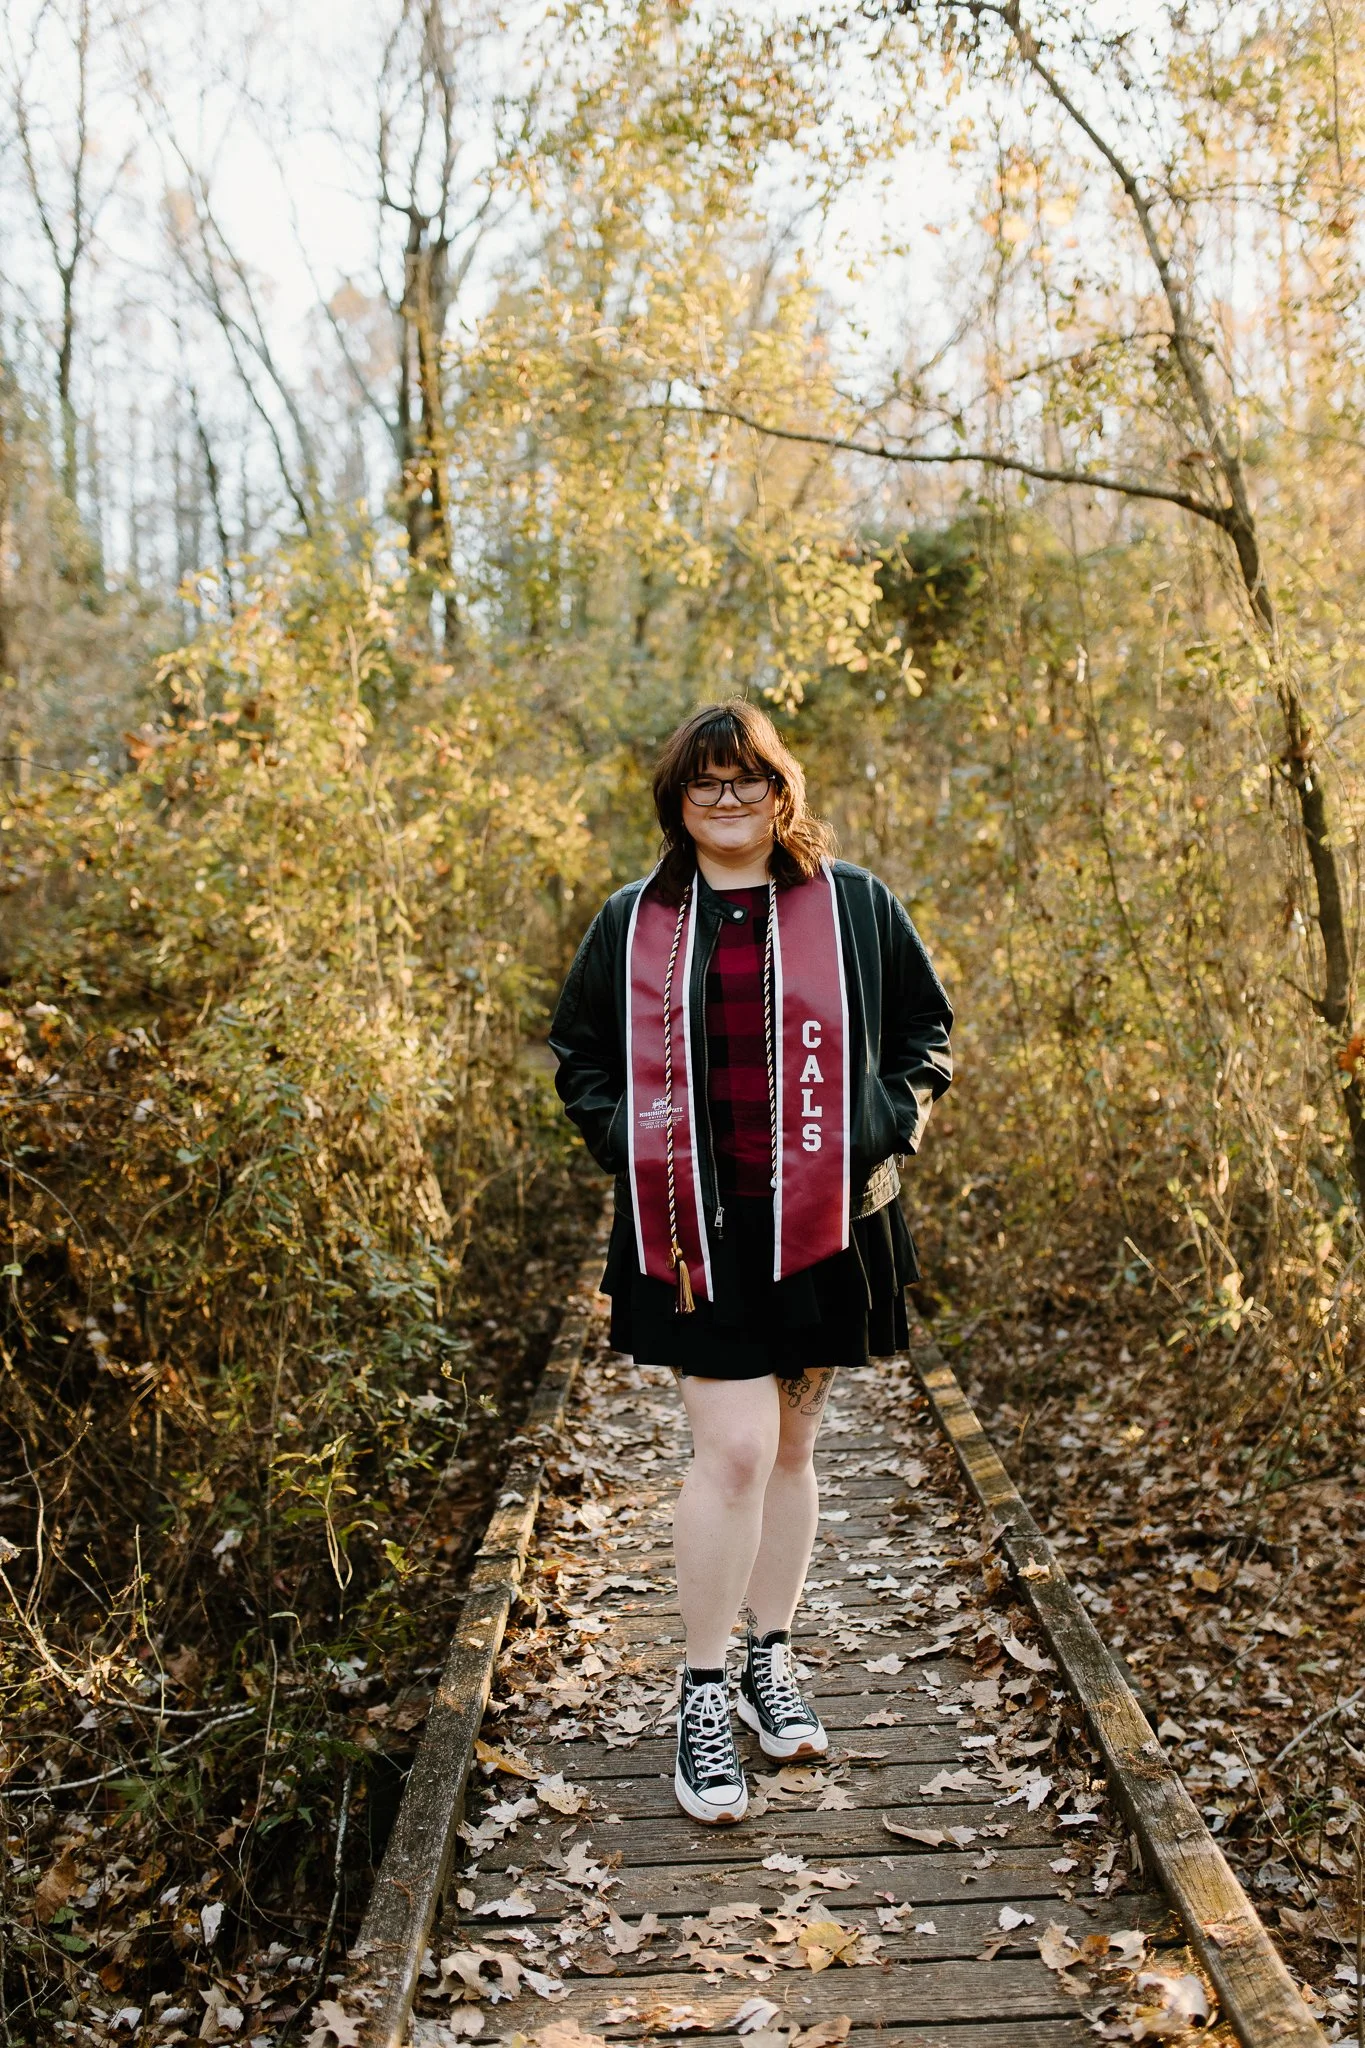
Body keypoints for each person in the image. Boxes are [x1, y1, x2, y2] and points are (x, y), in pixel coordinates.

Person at [550, 701, 953, 1825]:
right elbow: (579, 1051)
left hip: (828, 1221)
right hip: (694, 1228)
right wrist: (623, 1138)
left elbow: (926, 1034)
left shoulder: (853, 903)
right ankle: (701, 1688)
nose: (728, 800)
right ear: (677, 801)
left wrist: (883, 1121)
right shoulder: (634, 920)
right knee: (733, 1450)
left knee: (794, 1448)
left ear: (782, 789)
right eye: (706, 783)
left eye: (748, 780)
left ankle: (770, 1655)